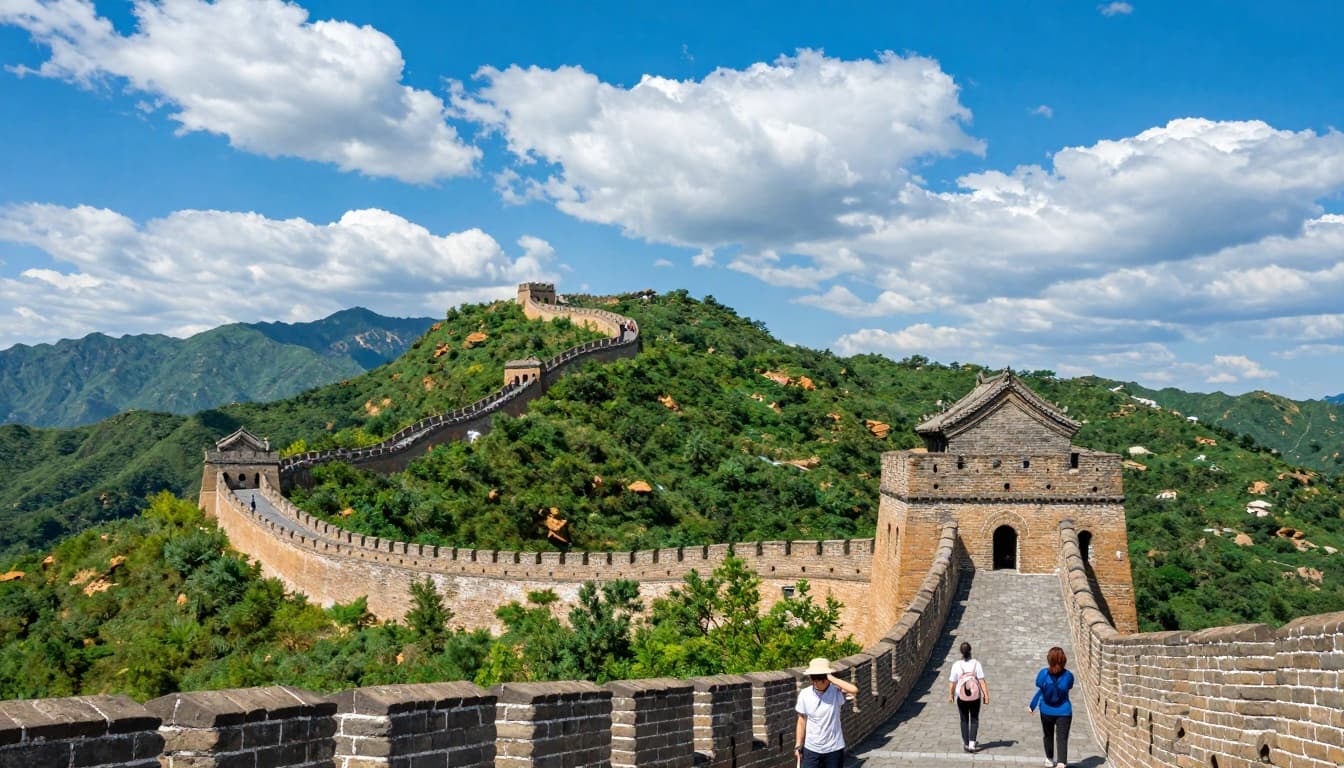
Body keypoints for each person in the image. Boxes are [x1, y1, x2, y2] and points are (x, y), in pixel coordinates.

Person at [794, 657, 859, 768]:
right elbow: (801, 720)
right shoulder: (805, 694)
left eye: (822, 679)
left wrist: (830, 677)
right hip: (811, 748)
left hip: (834, 748)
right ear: (811, 679)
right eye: (816, 679)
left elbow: (853, 689)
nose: (819, 682)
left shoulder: (836, 690)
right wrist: (798, 745)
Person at [1029, 646, 1075, 768]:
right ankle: (1061, 762)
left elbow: (1039, 686)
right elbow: (1069, 686)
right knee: (1062, 738)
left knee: (1048, 735)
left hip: (1046, 710)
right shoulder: (1068, 675)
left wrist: (1032, 705)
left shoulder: (1043, 673)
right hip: (1064, 710)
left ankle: (1049, 759)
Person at [947, 641, 989, 752]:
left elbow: (952, 682)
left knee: (964, 719)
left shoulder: (957, 665)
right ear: (970, 651)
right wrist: (986, 696)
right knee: (974, 719)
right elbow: (981, 681)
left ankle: (966, 743)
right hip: (975, 697)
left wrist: (951, 695)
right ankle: (972, 743)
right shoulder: (976, 664)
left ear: (961, 652)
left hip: (961, 698)